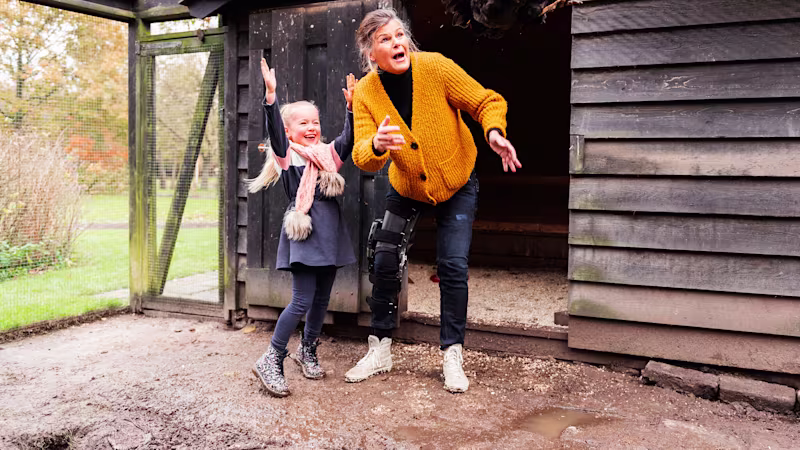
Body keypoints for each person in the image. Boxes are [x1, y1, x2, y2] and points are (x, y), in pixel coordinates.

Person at [346, 8, 520, 393]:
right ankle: (380, 348)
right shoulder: (366, 92)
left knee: (452, 265)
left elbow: (485, 101)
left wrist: (493, 131)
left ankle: (452, 353)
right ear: (371, 53)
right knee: (384, 260)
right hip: (407, 185)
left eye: (399, 35)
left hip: (457, 180)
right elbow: (361, 155)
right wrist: (377, 144)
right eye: (385, 39)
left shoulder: (435, 67)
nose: (397, 43)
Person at [248, 58, 358, 397]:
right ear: (289, 131)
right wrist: (271, 97)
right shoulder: (288, 156)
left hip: (330, 234)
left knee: (322, 298)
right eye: (303, 122)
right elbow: (275, 132)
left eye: (315, 121)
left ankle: (307, 350)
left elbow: (348, 140)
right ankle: (271, 358)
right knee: (301, 300)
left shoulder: (327, 155)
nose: (311, 126)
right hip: (305, 232)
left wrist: (351, 109)